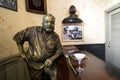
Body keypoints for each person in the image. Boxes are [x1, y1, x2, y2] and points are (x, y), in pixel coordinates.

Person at [13, 13, 63, 80]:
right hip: (34, 66)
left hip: (49, 65)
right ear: (42, 23)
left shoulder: (55, 36)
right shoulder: (32, 30)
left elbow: (59, 50)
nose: (49, 24)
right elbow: (18, 37)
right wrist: (22, 53)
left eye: (52, 22)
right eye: (47, 22)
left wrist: (51, 59)